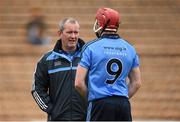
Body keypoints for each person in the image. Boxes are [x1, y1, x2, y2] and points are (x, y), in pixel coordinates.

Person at [75, 7, 142, 121]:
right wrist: (122, 98)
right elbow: (136, 83)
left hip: (99, 103)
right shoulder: (130, 48)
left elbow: (78, 83)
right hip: (123, 105)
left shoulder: (90, 47)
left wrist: (92, 98)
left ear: (101, 23)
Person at [31, 18, 87, 121]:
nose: (73, 36)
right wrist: (51, 108)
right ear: (60, 33)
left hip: (84, 118)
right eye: (69, 32)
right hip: (58, 118)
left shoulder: (88, 57)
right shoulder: (47, 60)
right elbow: (37, 89)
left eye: (76, 32)